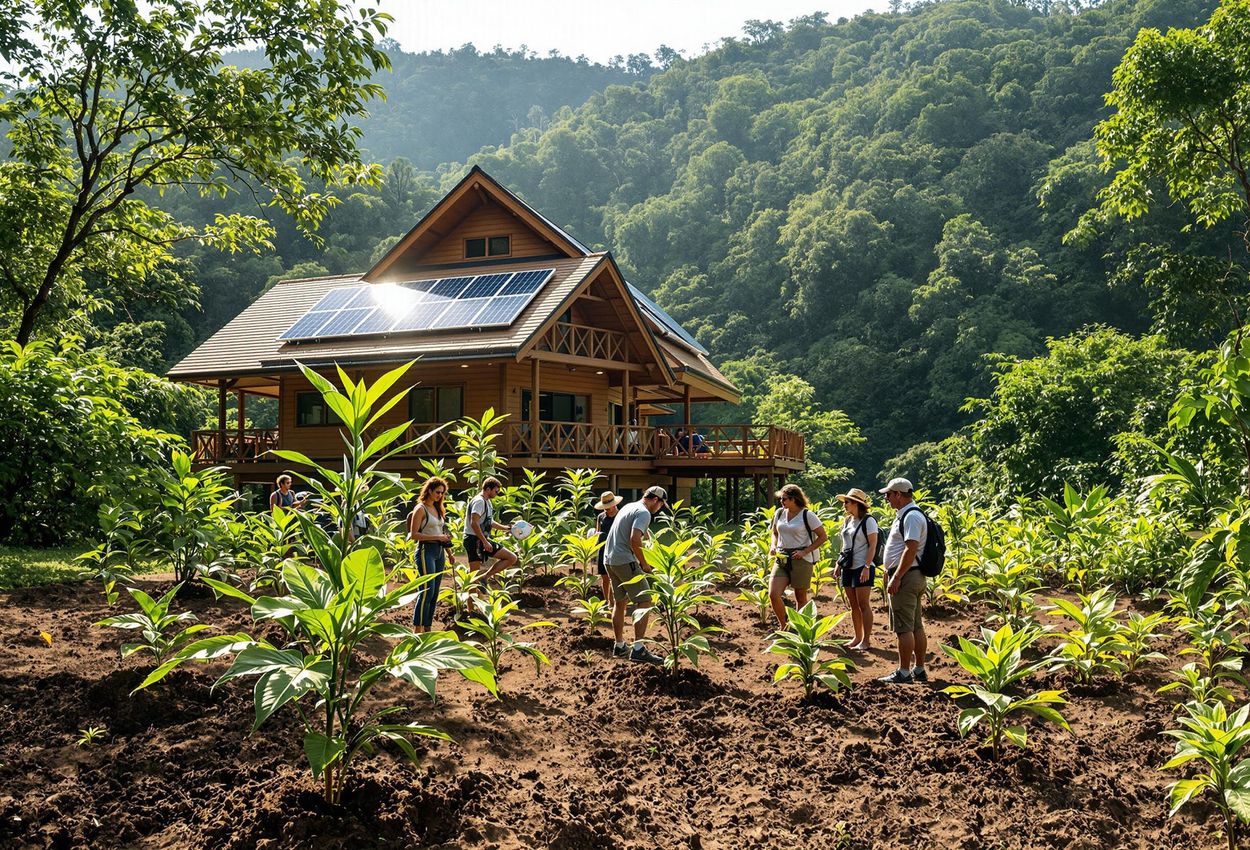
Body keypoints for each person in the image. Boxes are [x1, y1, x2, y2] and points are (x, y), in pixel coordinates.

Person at [602, 485, 668, 664]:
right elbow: (634, 539)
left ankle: (620, 645)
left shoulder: (629, 506)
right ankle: (638, 649)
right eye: (661, 505)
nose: (660, 509)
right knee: (644, 599)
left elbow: (639, 534)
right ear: (655, 500)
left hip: (609, 559)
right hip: (624, 560)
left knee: (620, 601)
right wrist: (645, 565)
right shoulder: (644, 513)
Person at [878, 477, 928, 684]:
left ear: (898, 494)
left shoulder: (911, 517)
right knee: (915, 625)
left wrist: (896, 576)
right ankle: (918, 669)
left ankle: (904, 672)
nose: (887, 499)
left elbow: (911, 548)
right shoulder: (909, 514)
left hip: (907, 576)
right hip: (911, 574)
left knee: (904, 627)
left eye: (889, 494)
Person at [769, 483, 828, 626]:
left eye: (784, 499)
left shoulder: (808, 515)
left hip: (801, 559)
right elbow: (775, 533)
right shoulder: (779, 513)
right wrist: (773, 546)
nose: (781, 502)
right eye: (781, 499)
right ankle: (784, 625)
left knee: (800, 596)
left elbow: (823, 536)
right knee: (773, 594)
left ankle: (800, 628)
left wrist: (805, 551)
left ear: (794, 499)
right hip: (782, 558)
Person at [835, 488, 878, 650]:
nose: (844, 505)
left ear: (856, 503)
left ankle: (866, 640)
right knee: (853, 605)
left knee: (863, 605)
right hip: (848, 566)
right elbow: (845, 545)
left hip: (862, 566)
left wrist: (867, 566)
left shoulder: (868, 521)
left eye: (847, 502)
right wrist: (838, 563)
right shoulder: (847, 521)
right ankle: (857, 637)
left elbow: (873, 544)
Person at [409, 476, 451, 633]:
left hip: (440, 551)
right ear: (429, 491)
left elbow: (442, 532)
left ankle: (428, 627)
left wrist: (450, 552)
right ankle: (417, 628)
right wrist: (437, 537)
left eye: (442, 493)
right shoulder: (420, 509)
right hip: (426, 550)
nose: (440, 495)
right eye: (438, 492)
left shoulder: (439, 508)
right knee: (427, 590)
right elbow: (414, 534)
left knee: (435, 592)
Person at [464, 476, 518, 581]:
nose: (496, 494)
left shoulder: (487, 502)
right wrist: (484, 542)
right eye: (496, 491)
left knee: (511, 557)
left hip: (481, 539)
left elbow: (490, 522)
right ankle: (471, 596)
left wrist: (507, 529)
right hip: (473, 539)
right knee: (474, 574)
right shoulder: (479, 501)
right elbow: (474, 523)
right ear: (488, 489)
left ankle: (484, 577)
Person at [593, 490, 623, 601]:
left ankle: (617, 603)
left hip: (617, 549)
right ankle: (608, 603)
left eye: (609, 506)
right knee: (605, 578)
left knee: (615, 578)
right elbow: (598, 533)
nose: (607, 509)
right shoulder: (601, 517)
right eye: (605, 507)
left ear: (615, 504)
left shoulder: (621, 516)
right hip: (603, 549)